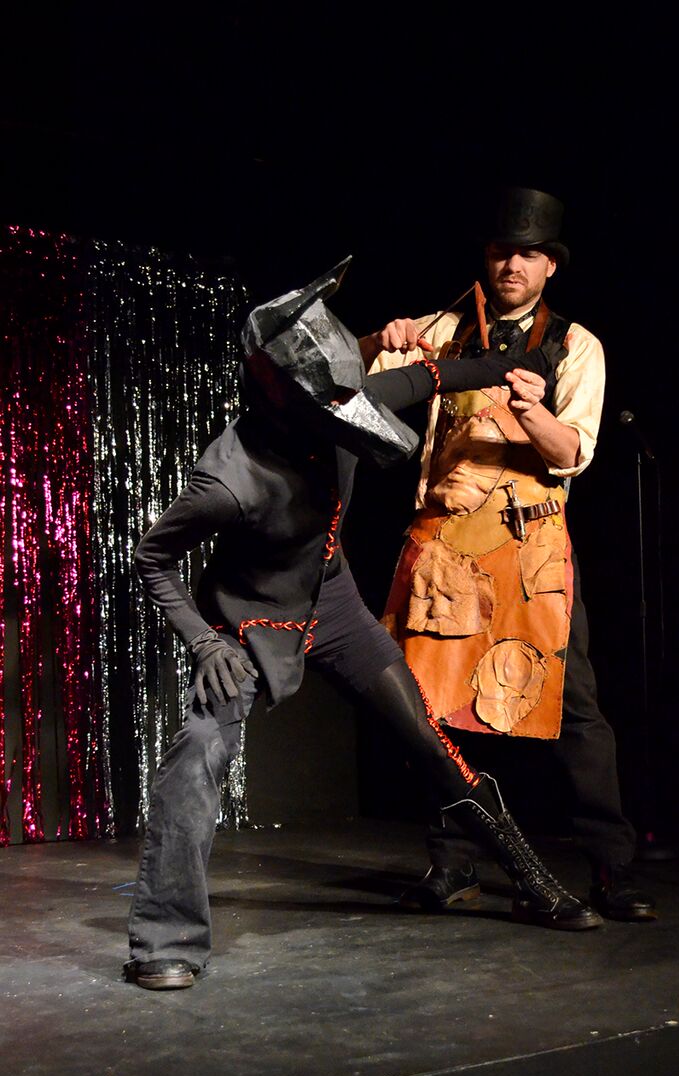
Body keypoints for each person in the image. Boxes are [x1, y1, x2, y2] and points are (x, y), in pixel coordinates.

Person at [124, 260, 604, 992]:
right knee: (198, 756)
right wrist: (203, 638)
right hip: (250, 623)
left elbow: (440, 375)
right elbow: (152, 558)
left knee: (430, 742)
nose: (355, 411)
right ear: (285, 401)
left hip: (336, 604)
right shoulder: (227, 480)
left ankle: (534, 880)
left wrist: (522, 366)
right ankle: (164, 942)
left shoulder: (344, 406)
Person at [363, 188, 656, 923]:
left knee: (575, 709)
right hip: (448, 545)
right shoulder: (447, 328)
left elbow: (572, 452)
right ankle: (452, 863)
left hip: (531, 547)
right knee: (437, 711)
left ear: (551, 266)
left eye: (529, 254)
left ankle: (611, 870)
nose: (512, 266)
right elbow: (357, 378)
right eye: (501, 252)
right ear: (486, 259)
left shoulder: (575, 345)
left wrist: (531, 410)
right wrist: (379, 339)